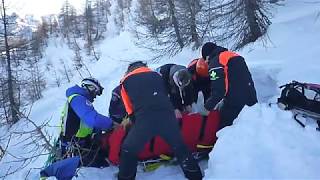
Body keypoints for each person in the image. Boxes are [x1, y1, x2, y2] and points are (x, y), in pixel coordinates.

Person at [118, 61, 202, 180]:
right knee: (180, 146)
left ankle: (125, 177)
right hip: (168, 117)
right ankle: (195, 175)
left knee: (128, 149)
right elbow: (167, 96)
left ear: (130, 70)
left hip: (145, 120)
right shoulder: (157, 75)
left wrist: (138, 128)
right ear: (145, 67)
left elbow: (129, 109)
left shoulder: (125, 81)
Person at [201, 42, 258, 130]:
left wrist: (207, 107)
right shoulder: (234, 55)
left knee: (224, 130)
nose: (206, 62)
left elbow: (219, 90)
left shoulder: (215, 63)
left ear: (208, 55)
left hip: (236, 103)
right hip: (251, 97)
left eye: (205, 59)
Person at [59, 77, 113, 167]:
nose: (95, 96)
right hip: (75, 144)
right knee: (103, 164)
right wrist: (111, 124)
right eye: (96, 92)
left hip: (81, 141)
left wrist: (98, 130)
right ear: (90, 88)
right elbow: (92, 119)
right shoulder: (77, 99)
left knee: (104, 154)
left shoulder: (80, 99)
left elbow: (85, 121)